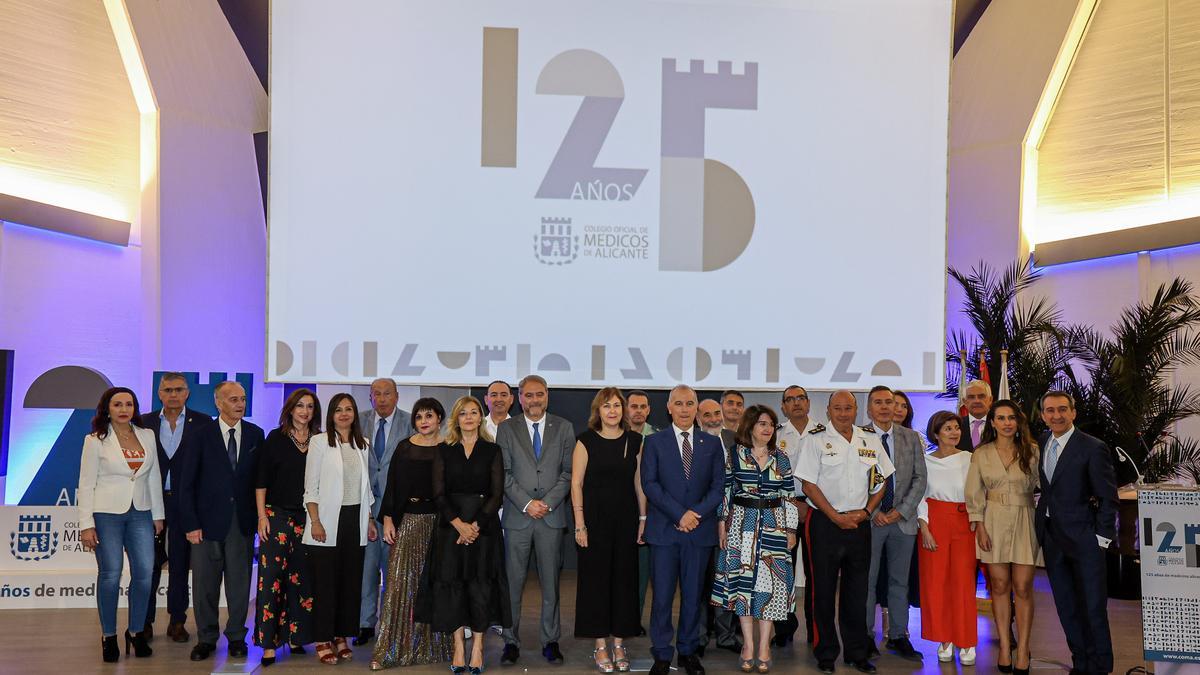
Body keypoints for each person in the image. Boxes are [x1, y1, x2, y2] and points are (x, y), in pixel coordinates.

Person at [795, 390, 893, 674]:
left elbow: (881, 481)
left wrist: (866, 512)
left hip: (859, 522)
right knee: (822, 590)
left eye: (848, 408)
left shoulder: (869, 440)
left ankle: (856, 652)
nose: (843, 413)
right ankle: (825, 652)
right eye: (837, 408)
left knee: (857, 591)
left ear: (856, 409)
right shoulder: (816, 440)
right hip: (825, 523)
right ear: (828, 410)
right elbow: (808, 485)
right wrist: (835, 516)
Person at [416, 396, 511, 674]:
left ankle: (478, 647)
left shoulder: (492, 450)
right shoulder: (444, 450)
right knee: (453, 587)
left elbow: (497, 494)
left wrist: (475, 526)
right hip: (450, 528)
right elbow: (438, 493)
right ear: (455, 419)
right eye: (463, 413)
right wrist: (459, 524)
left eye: (474, 412)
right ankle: (459, 646)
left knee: (480, 587)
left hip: (484, 529)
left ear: (480, 418)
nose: (469, 417)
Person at [641, 384, 724, 675]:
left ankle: (687, 651)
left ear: (696, 407)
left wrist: (695, 514)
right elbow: (650, 484)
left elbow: (718, 488)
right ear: (669, 407)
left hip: (699, 532)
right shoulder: (654, 442)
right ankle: (662, 654)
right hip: (665, 531)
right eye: (679, 403)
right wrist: (680, 514)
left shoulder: (712, 444)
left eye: (690, 403)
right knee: (662, 596)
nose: (685, 409)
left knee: (693, 597)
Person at [177, 381, 263, 661]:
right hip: (205, 525)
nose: (240, 404)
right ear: (218, 402)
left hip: (242, 523)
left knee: (239, 586)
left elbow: (260, 481)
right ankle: (206, 639)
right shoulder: (199, 435)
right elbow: (185, 483)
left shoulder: (255, 434)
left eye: (243, 398)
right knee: (205, 586)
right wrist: (190, 524)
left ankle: (237, 637)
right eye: (233, 399)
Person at [79, 387, 164, 663]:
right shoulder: (95, 441)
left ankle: (137, 632)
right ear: (107, 408)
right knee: (110, 574)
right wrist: (85, 524)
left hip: (141, 512)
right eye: (118, 404)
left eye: (129, 404)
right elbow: (86, 484)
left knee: (144, 574)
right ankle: (109, 636)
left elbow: (153, 478)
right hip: (106, 515)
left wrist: (158, 515)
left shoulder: (147, 435)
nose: (124, 409)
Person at [712, 405, 798, 674]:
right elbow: (726, 489)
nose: (767, 428)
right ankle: (748, 645)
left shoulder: (781, 458)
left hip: (774, 525)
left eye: (771, 424)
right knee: (744, 587)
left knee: (770, 588)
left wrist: (792, 530)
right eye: (762, 423)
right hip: (741, 524)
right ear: (749, 426)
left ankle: (764, 646)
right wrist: (721, 524)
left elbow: (789, 496)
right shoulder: (734, 455)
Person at [1035, 390, 1117, 675]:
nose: (1056, 415)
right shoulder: (1044, 441)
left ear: (1073, 412)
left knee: (1093, 608)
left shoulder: (1093, 447)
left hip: (1085, 540)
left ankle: (1100, 667)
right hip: (1053, 538)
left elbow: (1108, 496)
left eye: (1061, 409)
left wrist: (1101, 539)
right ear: (1043, 415)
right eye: (1050, 411)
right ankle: (1080, 662)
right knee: (1066, 607)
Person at [370, 397, 454, 670]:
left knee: (436, 584)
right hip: (408, 522)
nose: (424, 421)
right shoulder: (404, 448)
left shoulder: (449, 449)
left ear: (439, 418)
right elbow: (392, 487)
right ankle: (392, 648)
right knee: (400, 583)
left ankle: (436, 647)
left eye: (429, 415)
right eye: (419, 417)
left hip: (441, 524)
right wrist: (388, 519)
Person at [497, 375, 575, 665]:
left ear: (547, 396)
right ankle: (510, 641)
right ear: (519, 398)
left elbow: (568, 472)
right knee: (513, 584)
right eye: (528, 395)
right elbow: (503, 472)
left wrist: (548, 503)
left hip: (551, 518)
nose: (534, 400)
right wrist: (528, 503)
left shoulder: (564, 427)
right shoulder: (507, 429)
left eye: (539, 395)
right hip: (518, 517)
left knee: (551, 585)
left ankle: (550, 640)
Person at [571, 388, 646, 672]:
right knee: (596, 584)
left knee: (624, 584)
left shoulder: (636, 440)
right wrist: (580, 524)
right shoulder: (585, 440)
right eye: (607, 406)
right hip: (594, 523)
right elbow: (576, 484)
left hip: (626, 521)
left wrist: (643, 519)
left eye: (617, 405)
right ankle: (600, 645)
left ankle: (618, 643)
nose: (612, 411)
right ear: (597, 411)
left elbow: (639, 483)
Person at [967, 400, 1040, 675]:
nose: (1007, 422)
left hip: (1025, 521)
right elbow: (973, 492)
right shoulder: (981, 453)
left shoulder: (1032, 451)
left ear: (1018, 422)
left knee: (1022, 587)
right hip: (993, 521)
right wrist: (980, 525)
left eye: (1011, 418)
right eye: (1001, 418)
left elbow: (1043, 487)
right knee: (998, 585)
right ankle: (1004, 646)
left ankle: (1023, 649)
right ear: (993, 422)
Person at [304, 393, 377, 665]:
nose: (344, 414)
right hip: (326, 522)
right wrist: (316, 521)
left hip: (354, 520)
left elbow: (366, 486)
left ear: (355, 414)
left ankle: (340, 637)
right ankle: (323, 638)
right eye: (338, 410)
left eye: (349, 409)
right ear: (331, 415)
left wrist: (369, 520)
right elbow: (311, 486)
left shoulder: (363, 444)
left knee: (349, 583)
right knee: (326, 584)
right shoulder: (319, 442)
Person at [140, 372, 212, 643]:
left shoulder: (203, 423)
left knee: (181, 563)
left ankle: (177, 621)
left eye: (178, 389)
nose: (173, 394)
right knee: (149, 564)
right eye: (167, 390)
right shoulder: (143, 423)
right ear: (159, 393)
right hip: (150, 502)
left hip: (186, 504)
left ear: (187, 393)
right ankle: (144, 621)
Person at [254, 388, 319, 666]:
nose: (305, 411)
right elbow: (261, 480)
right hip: (276, 516)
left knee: (302, 579)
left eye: (310, 407)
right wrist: (261, 516)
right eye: (300, 406)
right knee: (271, 580)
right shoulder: (275, 439)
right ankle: (269, 644)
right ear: (290, 409)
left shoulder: (319, 442)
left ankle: (296, 637)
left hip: (307, 518)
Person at [863, 386, 925, 661]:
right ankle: (865, 637)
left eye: (889, 402)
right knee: (868, 580)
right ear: (869, 408)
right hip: (871, 520)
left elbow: (919, 478)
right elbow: (854, 479)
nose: (885, 407)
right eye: (878, 402)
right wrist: (872, 509)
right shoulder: (858, 436)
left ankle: (898, 636)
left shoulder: (911, 437)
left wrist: (901, 511)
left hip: (903, 520)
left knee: (899, 581)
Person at [917, 411, 977, 665]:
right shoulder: (926, 461)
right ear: (936, 433)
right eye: (948, 428)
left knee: (963, 583)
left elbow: (978, 492)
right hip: (935, 521)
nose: (954, 432)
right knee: (936, 582)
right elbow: (920, 495)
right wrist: (925, 527)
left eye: (956, 428)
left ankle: (966, 640)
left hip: (965, 521)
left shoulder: (970, 459)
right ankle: (945, 638)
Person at [358, 378, 414, 646]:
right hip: (365, 508)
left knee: (393, 572)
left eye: (387, 394)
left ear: (397, 396)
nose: (381, 399)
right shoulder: (358, 421)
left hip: (397, 509)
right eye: (376, 394)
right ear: (370, 397)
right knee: (366, 570)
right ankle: (365, 624)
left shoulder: (410, 422)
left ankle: (391, 625)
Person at [774, 385, 821, 647]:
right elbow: (773, 476)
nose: (796, 403)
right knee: (784, 572)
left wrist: (810, 504)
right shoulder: (777, 435)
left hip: (817, 509)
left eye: (800, 398)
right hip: (784, 508)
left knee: (816, 573)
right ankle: (784, 629)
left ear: (808, 402)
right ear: (783, 406)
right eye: (790, 400)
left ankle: (816, 630)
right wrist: (794, 503)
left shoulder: (824, 434)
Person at [696, 396, 741, 653]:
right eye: (707, 415)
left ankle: (726, 635)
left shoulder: (735, 439)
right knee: (699, 583)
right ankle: (700, 637)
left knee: (727, 580)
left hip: (733, 522)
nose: (713, 419)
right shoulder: (691, 441)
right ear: (697, 418)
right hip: (701, 522)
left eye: (716, 413)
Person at [625, 389, 656, 636]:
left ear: (649, 410)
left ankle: (634, 619)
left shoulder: (657, 438)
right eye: (633, 406)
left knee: (643, 570)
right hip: (618, 508)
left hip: (649, 512)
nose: (637, 410)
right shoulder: (615, 435)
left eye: (642, 406)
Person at [959, 380, 993, 451]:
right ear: (964, 401)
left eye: (981, 396)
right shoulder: (957, 425)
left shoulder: (1000, 425)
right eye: (971, 397)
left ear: (990, 399)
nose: (976, 401)